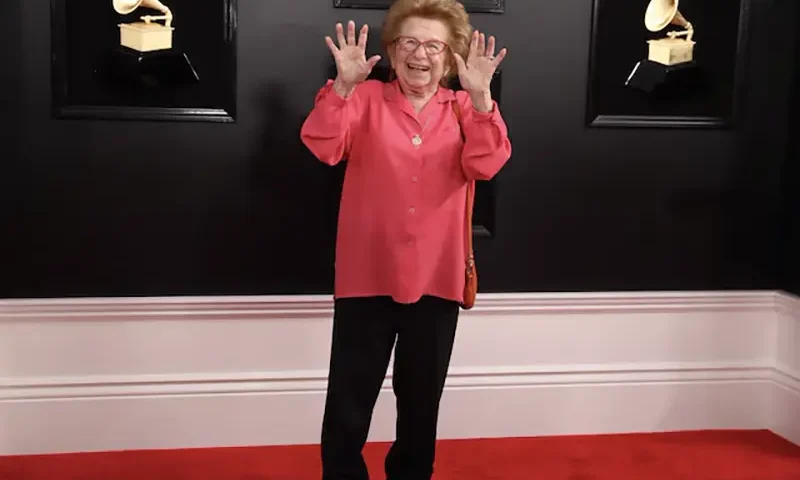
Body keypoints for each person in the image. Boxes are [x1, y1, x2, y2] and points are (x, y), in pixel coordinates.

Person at [300, 0, 511, 478]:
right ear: (392, 51)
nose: (421, 54)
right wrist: (342, 87)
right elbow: (322, 144)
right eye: (409, 42)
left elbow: (487, 164)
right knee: (348, 405)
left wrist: (482, 100)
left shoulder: (464, 108)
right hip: (367, 275)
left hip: (437, 279)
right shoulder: (365, 98)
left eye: (434, 45)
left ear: (451, 55)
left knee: (420, 406)